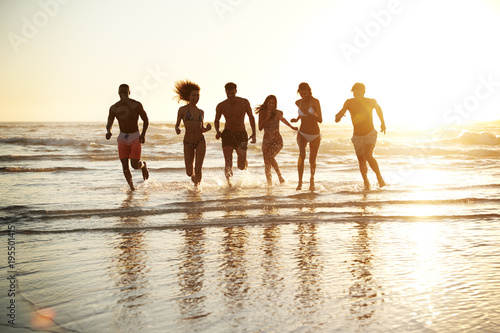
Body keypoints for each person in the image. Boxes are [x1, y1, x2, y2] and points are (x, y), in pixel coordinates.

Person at [335, 82, 386, 190]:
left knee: (368, 155)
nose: (357, 97)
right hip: (357, 136)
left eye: (359, 94)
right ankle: (366, 182)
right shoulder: (349, 102)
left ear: (364, 93)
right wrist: (338, 117)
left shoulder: (370, 101)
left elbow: (378, 109)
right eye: (355, 94)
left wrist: (382, 123)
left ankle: (379, 177)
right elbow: (341, 112)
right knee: (361, 161)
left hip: (370, 133)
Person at [106, 84, 149, 191]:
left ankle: (143, 166)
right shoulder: (114, 108)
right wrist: (108, 131)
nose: (124, 94)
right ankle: (132, 188)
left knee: (134, 165)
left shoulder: (137, 105)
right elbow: (109, 123)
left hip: (135, 136)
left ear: (129, 93)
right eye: (121, 92)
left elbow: (145, 120)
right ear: (118, 93)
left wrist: (143, 134)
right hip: (122, 138)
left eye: (126, 92)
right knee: (125, 167)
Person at [214, 82, 257, 186]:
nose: (230, 96)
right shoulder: (221, 105)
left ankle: (243, 161)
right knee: (228, 162)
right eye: (228, 93)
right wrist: (218, 131)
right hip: (227, 134)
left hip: (241, 135)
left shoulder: (244, 102)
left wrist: (254, 133)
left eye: (232, 93)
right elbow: (216, 120)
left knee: (241, 166)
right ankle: (229, 185)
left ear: (236, 91)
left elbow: (251, 117)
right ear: (225, 92)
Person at [174, 80, 211, 186]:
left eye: (197, 95)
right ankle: (194, 178)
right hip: (188, 142)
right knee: (189, 172)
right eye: (193, 95)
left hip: (200, 141)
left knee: (198, 167)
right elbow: (177, 124)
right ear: (188, 97)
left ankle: (197, 190)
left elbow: (201, 129)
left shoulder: (201, 112)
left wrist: (207, 129)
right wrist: (177, 129)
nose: (196, 97)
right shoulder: (182, 110)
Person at [255, 95, 297, 186]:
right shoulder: (262, 113)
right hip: (266, 142)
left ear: (275, 104)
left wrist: (291, 127)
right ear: (266, 103)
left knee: (270, 156)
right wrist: (267, 117)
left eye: (273, 103)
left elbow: (283, 120)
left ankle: (279, 176)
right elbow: (260, 128)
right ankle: (269, 185)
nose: (271, 105)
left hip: (277, 141)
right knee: (267, 165)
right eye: (269, 103)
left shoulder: (278, 113)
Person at [291, 82, 322, 191]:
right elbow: (301, 113)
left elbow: (320, 119)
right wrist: (297, 119)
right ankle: (299, 182)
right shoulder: (298, 102)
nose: (303, 96)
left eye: (305, 94)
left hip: (314, 134)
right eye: (301, 94)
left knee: (312, 160)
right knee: (302, 155)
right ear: (299, 92)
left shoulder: (315, 102)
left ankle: (311, 180)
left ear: (309, 92)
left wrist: (308, 114)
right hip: (302, 133)